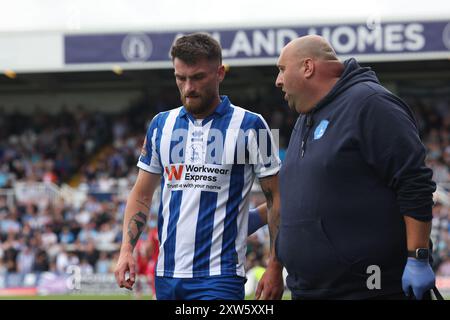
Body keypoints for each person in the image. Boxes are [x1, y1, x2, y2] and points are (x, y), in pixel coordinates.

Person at [114, 33, 284, 300]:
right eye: (180, 78)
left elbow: (277, 199)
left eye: (198, 77)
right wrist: (126, 250)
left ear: (220, 73)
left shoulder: (254, 125)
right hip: (167, 276)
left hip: (220, 277)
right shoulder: (161, 124)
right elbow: (141, 194)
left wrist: (275, 265)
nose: (188, 87)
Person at [270, 35, 437, 300]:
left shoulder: (371, 104)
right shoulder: (305, 118)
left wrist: (417, 256)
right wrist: (268, 246)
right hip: (309, 289)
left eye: (281, 69)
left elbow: (413, 181)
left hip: (367, 288)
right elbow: (303, 195)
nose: (278, 81)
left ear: (308, 67)